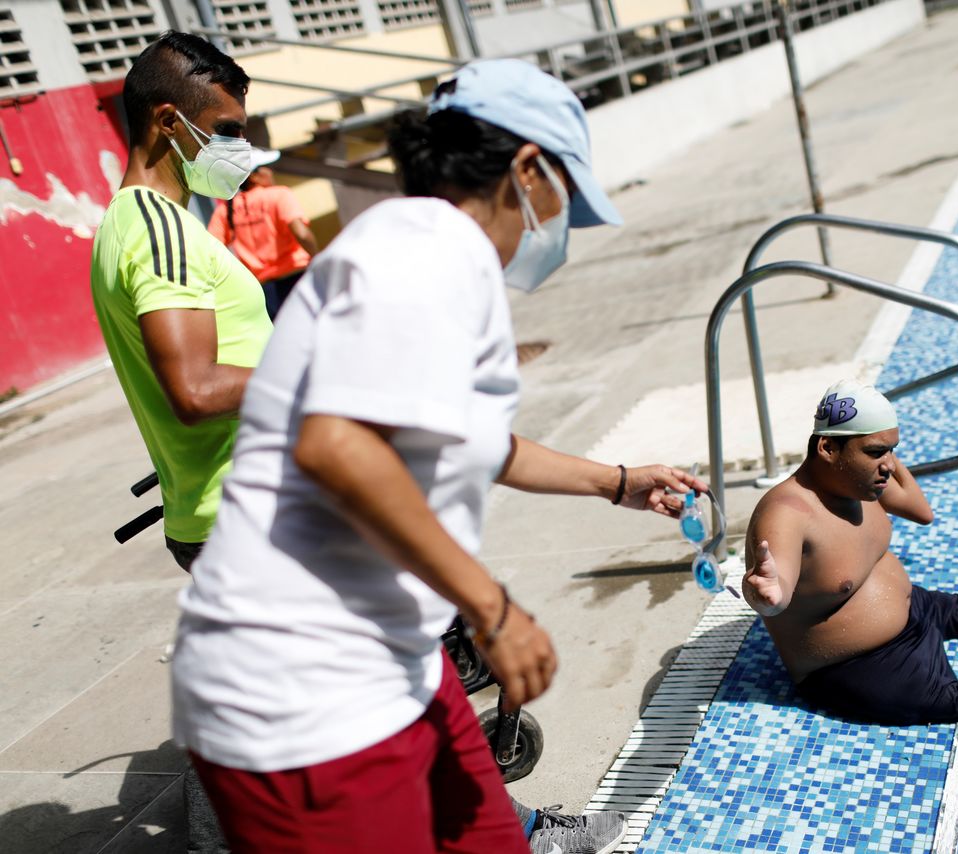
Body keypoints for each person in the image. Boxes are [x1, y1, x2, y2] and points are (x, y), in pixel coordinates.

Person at [170, 58, 710, 854]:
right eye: (563, 195)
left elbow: (470, 439)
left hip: (392, 658)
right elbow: (337, 445)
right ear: (527, 168)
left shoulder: (417, 249)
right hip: (301, 696)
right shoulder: (426, 253)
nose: (554, 223)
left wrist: (617, 482)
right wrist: (491, 609)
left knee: (493, 838)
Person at [89, 30, 271, 854]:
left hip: (235, 511)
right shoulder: (157, 231)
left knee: (264, 727)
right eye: (227, 130)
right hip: (245, 517)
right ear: (170, 121)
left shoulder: (146, 225)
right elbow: (194, 389)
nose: (241, 148)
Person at [742, 381, 958, 726]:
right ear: (828, 448)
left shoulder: (860, 480)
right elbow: (775, 592)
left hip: (910, 610)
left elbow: (923, 512)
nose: (889, 465)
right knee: (924, 698)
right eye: (876, 451)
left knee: (930, 604)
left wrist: (882, 448)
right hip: (852, 664)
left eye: (892, 450)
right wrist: (765, 594)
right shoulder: (787, 512)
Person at [207, 148, 317, 319]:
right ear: (253, 176)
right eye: (266, 167)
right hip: (297, 279)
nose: (270, 171)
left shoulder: (225, 210)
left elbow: (210, 252)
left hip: (264, 292)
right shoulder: (279, 195)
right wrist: (318, 258)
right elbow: (301, 233)